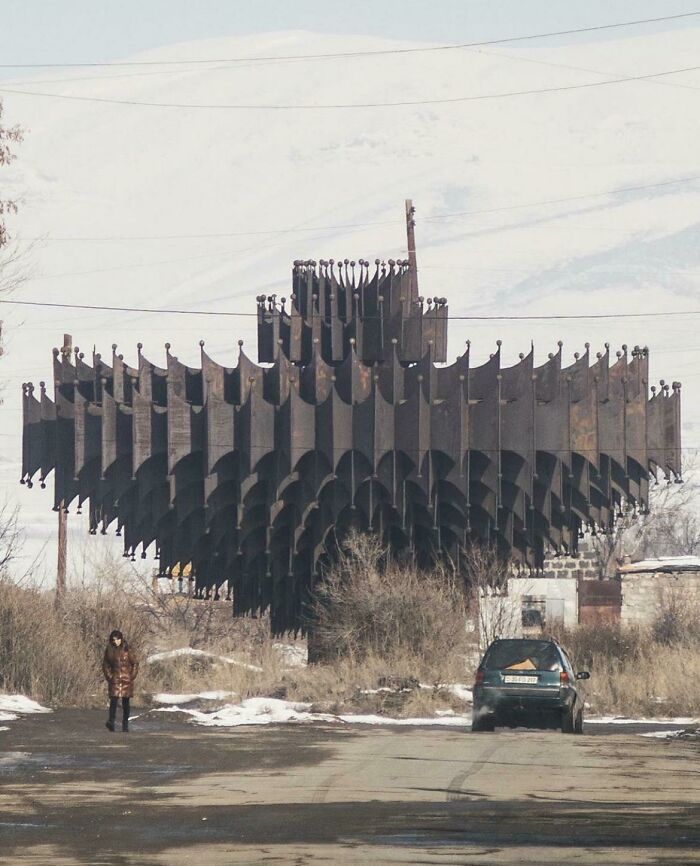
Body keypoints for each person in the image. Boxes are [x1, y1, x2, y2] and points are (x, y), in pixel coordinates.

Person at [102, 629, 139, 732]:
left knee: (125, 702)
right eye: (114, 640)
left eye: (117, 639)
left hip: (126, 679)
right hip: (115, 679)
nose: (115, 641)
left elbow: (135, 663)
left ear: (121, 639)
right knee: (113, 700)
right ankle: (111, 722)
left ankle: (125, 724)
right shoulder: (109, 650)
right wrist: (109, 676)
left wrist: (131, 676)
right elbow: (105, 664)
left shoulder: (128, 649)